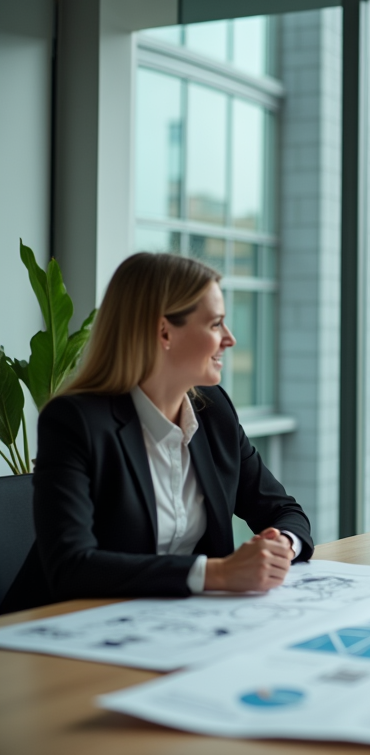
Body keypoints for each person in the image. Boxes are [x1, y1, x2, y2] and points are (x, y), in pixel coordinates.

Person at [0, 253, 313, 615]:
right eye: (215, 324)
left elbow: (284, 510)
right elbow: (72, 565)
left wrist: (281, 547)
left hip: (170, 624)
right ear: (164, 332)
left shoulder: (214, 412)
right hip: (59, 633)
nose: (230, 339)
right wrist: (218, 573)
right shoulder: (75, 422)